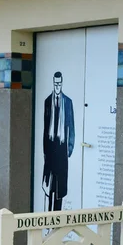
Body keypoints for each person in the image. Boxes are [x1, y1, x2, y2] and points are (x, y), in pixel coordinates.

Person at [42, 71, 75, 212]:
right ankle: (48, 218)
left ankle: (58, 217)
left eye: (59, 84)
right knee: (49, 186)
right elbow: (45, 128)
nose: (57, 87)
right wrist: (45, 151)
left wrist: (69, 149)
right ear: (52, 83)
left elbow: (71, 126)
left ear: (62, 83)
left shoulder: (68, 102)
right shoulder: (47, 101)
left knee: (60, 187)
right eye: (55, 84)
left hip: (62, 149)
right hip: (50, 149)